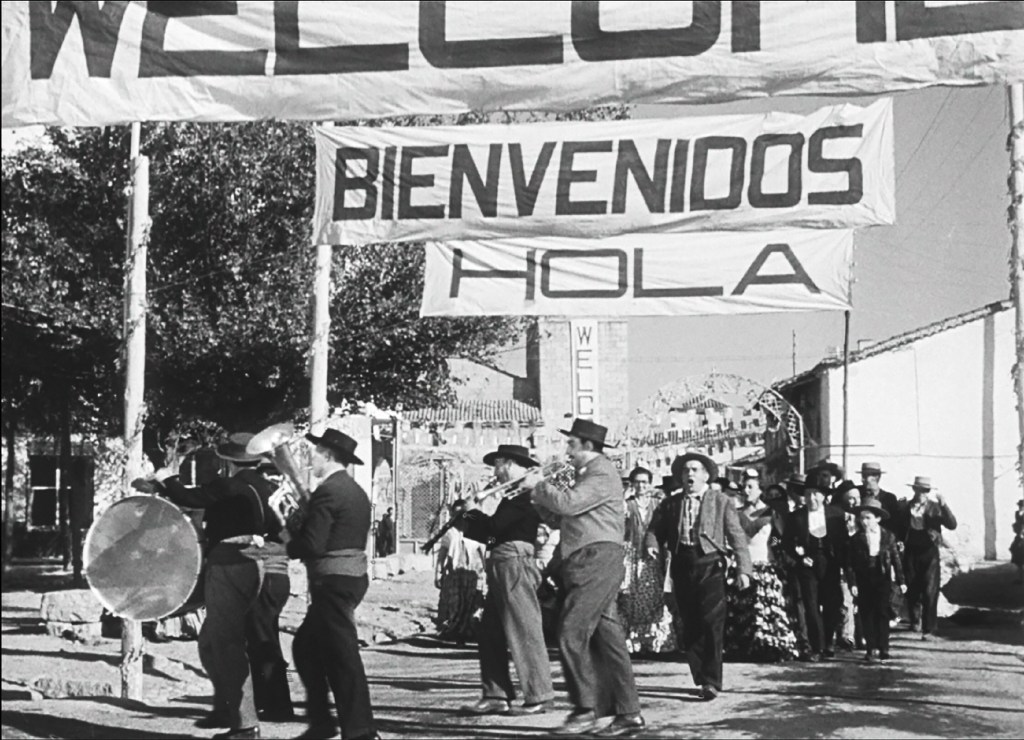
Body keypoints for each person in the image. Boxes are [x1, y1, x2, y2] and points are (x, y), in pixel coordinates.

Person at [155, 433, 293, 739]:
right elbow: (280, 530)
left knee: (224, 645)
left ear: (226, 460)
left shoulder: (229, 484)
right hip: (257, 563)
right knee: (215, 642)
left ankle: (244, 724)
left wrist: (166, 477)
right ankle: (234, 709)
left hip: (230, 561)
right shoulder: (265, 487)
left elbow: (189, 498)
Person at [525, 418, 645, 737]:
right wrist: (536, 498)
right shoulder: (587, 474)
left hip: (596, 559)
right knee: (609, 639)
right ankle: (628, 713)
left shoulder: (601, 471)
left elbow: (571, 503)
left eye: (571, 444)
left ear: (588, 447)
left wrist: (539, 485)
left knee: (570, 630)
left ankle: (584, 709)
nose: (567, 450)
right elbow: (562, 516)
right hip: (586, 561)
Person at [277, 428, 378, 740]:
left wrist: (284, 541)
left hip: (333, 580)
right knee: (306, 647)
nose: (311, 457)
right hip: (347, 578)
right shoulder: (351, 488)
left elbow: (313, 544)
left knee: (343, 655)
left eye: (316, 452)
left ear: (329, 456)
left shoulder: (329, 491)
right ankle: (322, 723)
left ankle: (360, 730)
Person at [455, 444, 554, 717]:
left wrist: (472, 512)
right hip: (500, 564)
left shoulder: (527, 497)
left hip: (515, 566)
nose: (495, 473)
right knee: (489, 632)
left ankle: (539, 695)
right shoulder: (510, 499)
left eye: (497, 465)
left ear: (508, 465)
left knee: (524, 630)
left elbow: (495, 530)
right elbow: (491, 537)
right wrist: (465, 515)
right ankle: (496, 694)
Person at [645, 451, 752, 702]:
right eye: (686, 470)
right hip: (682, 564)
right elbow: (654, 528)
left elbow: (736, 536)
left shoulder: (720, 501)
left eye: (695, 470)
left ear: (705, 475)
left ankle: (712, 680)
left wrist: (743, 569)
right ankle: (701, 676)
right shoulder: (670, 503)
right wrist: (651, 543)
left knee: (712, 621)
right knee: (690, 621)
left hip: (710, 563)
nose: (689, 474)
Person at [726, 468, 798, 662]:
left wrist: (774, 548)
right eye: (744, 487)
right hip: (743, 565)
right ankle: (743, 647)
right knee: (743, 607)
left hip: (765, 563)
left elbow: (777, 537)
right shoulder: (736, 513)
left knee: (766, 607)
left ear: (760, 489)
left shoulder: (771, 513)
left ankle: (769, 647)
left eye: (751, 486)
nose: (746, 490)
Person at [779, 476, 845, 661]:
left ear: (824, 496)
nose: (812, 499)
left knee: (832, 605)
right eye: (808, 495)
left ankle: (829, 640)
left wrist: (843, 565)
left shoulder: (835, 515)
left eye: (816, 494)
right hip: (807, 565)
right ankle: (817, 647)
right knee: (811, 605)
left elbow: (843, 542)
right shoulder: (796, 517)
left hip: (830, 563)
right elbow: (784, 543)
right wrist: (798, 556)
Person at [620, 466, 675, 656]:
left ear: (650, 484)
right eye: (637, 482)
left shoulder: (657, 504)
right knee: (630, 596)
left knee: (654, 595)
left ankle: (655, 639)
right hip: (631, 555)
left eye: (644, 482)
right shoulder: (628, 504)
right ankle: (632, 640)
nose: (641, 486)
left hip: (652, 555)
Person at [895, 476, 957, 640]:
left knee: (930, 590)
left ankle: (929, 628)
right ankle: (915, 621)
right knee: (911, 586)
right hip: (910, 550)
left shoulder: (935, 508)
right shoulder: (905, 506)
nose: (922, 493)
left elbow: (952, 524)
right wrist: (899, 542)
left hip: (929, 551)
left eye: (926, 491)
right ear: (914, 490)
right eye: (920, 490)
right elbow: (899, 527)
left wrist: (944, 506)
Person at [845, 496, 906, 663]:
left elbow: (895, 559)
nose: (864, 522)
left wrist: (901, 581)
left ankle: (884, 647)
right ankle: (871, 648)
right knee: (867, 613)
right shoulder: (856, 539)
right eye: (862, 518)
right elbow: (849, 564)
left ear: (877, 519)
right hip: (864, 577)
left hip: (882, 576)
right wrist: (853, 583)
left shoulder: (888, 536)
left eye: (868, 518)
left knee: (882, 612)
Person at [835, 480, 862, 651]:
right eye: (849, 499)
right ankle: (846, 635)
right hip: (842, 563)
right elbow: (777, 538)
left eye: (856, 498)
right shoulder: (836, 517)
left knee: (860, 601)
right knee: (846, 600)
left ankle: (862, 637)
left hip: (861, 564)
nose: (853, 502)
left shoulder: (863, 517)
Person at [858, 462, 901, 527]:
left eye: (873, 475)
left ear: (878, 477)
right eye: (864, 475)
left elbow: (894, 522)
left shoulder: (889, 498)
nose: (866, 479)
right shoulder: (856, 493)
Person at [1011, 499, 1024, 585]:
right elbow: (1017, 523)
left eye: (1021, 506)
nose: (1020, 507)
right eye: (1019, 505)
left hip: (1023, 535)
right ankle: (1020, 577)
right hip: (1019, 535)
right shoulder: (1016, 513)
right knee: (1014, 549)